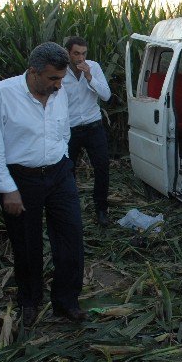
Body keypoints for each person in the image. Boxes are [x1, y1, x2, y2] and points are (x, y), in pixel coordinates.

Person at [0, 42, 87, 325]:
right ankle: (30, 301)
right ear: (33, 72)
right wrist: (7, 187)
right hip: (20, 179)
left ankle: (66, 301)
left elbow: (63, 131)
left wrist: (62, 158)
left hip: (59, 173)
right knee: (26, 245)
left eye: (61, 79)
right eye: (53, 78)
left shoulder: (58, 91)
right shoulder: (3, 94)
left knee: (71, 238)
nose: (58, 85)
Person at [62, 36, 112, 226]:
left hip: (93, 125)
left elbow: (106, 96)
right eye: (76, 53)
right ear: (68, 53)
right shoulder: (61, 71)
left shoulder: (94, 67)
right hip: (71, 128)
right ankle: (70, 209)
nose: (80, 58)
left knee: (102, 167)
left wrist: (90, 77)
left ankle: (101, 209)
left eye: (83, 53)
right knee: (68, 170)